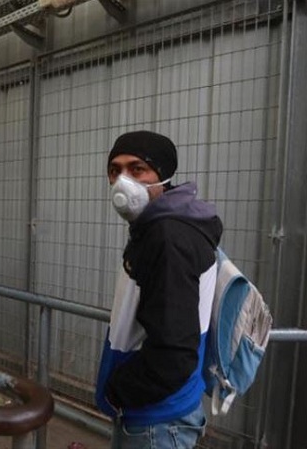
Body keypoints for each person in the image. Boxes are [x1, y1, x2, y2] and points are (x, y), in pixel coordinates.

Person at [95, 130, 222, 449]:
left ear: (162, 175)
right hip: (163, 413)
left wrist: (118, 390)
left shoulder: (167, 238)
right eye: (115, 170)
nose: (123, 181)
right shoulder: (168, 226)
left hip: (157, 421)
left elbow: (174, 353)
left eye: (137, 169)